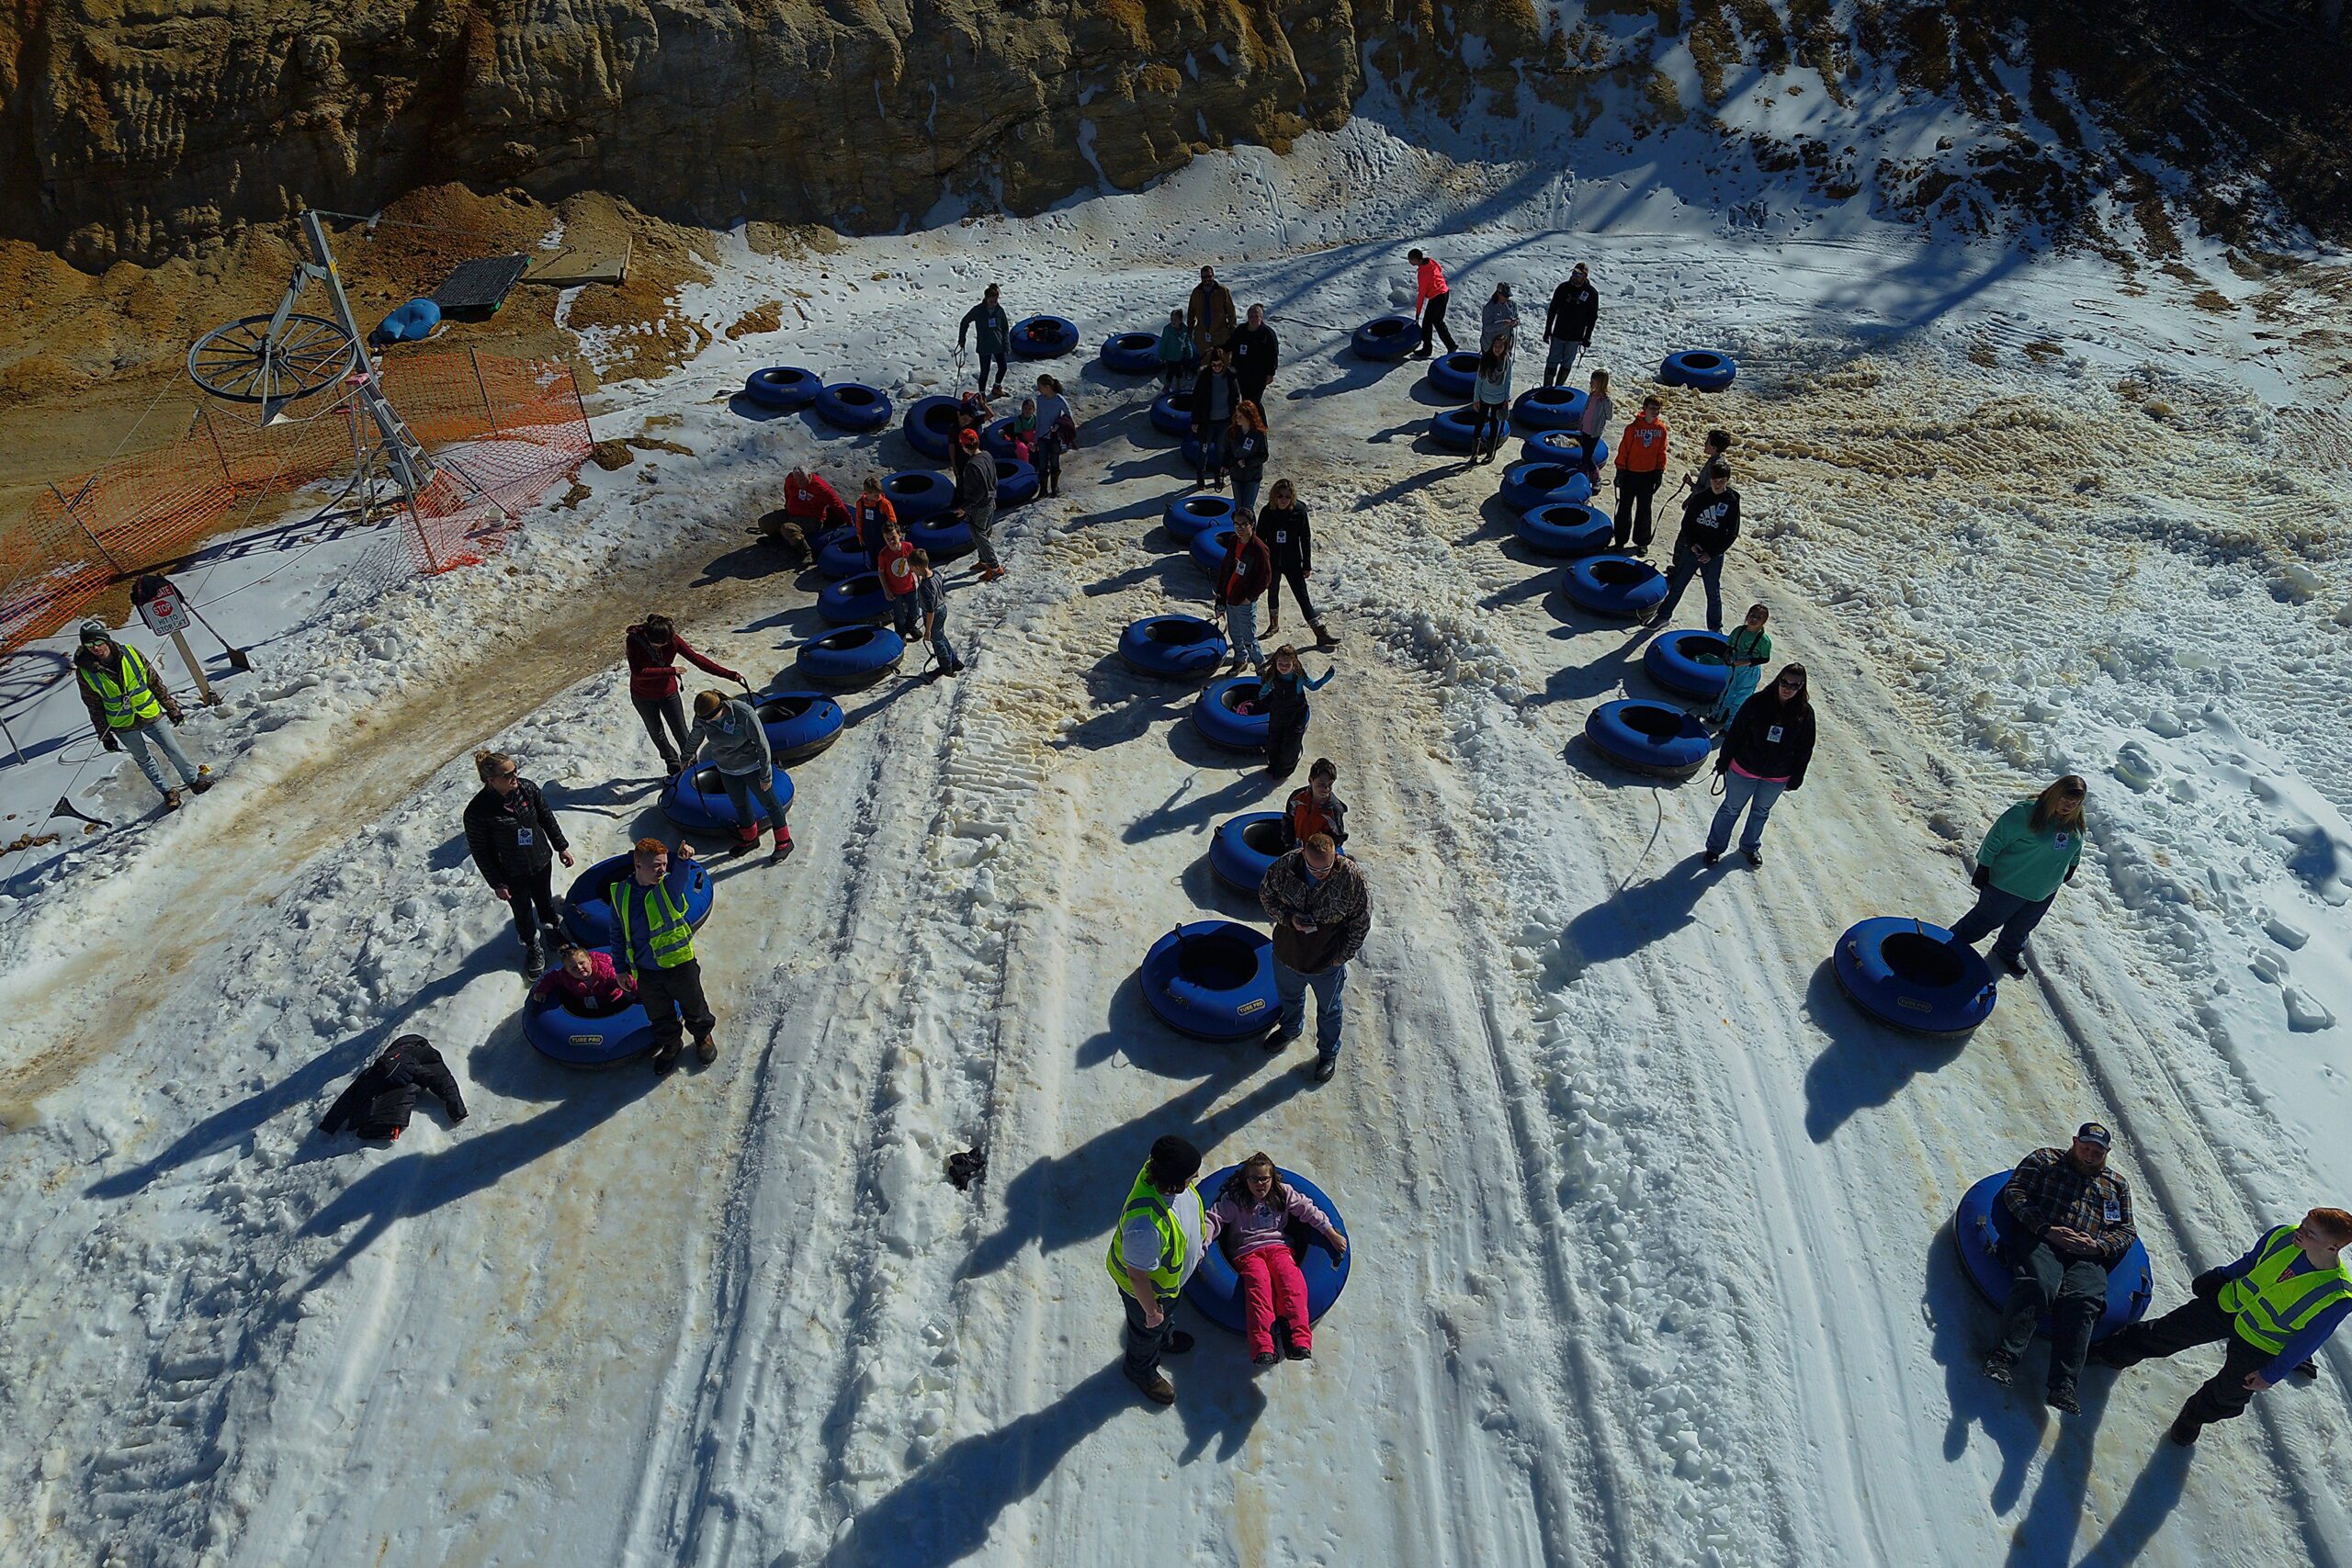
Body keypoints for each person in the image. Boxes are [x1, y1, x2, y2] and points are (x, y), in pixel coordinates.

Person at [2096, 1207, 2352, 1446]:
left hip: (2261, 1341)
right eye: (2303, 1223)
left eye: (2310, 1232)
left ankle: (2194, 1416)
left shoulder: (2337, 1295)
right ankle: (2111, 1352)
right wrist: (2220, 1275)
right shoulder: (2284, 1236)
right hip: (2229, 1304)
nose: (2300, 1231)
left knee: (2230, 1393)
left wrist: (2272, 1373)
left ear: (2332, 1247)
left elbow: (2308, 1341)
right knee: (2165, 1331)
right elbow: (2251, 1262)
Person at [1983, 1123, 2138, 1415]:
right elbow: (2015, 1193)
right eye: (2086, 1148)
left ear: (2107, 1152)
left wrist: (2098, 1247)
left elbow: (2126, 1231)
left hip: (2086, 1254)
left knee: (2086, 1300)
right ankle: (2003, 1356)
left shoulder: (2116, 1185)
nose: (2090, 1156)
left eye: (2097, 1152)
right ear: (2075, 1142)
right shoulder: (2046, 1161)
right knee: (2040, 1283)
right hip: (2044, 1238)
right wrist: (2046, 1229)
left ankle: (2063, 1385)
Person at [1106, 1133, 1218, 1405]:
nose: (1196, 1177)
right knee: (1146, 1332)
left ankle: (1164, 1337)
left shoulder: (1161, 1171)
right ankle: (1140, 1369)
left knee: (1163, 1320)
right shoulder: (1145, 1226)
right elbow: (1137, 1276)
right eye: (1191, 1176)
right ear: (1174, 1182)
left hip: (1168, 1289)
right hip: (1147, 1296)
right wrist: (1151, 1311)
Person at [1207, 1153, 1349, 1365]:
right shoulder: (1235, 1199)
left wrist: (1330, 1233)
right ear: (1246, 1180)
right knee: (1259, 1286)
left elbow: (1309, 1210)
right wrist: (1202, 1245)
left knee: (1291, 1281)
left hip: (1278, 1248)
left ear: (1272, 1178)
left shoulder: (1282, 1193)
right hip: (1247, 1252)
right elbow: (1213, 1218)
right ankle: (1263, 1346)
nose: (1260, 1184)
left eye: (1264, 1178)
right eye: (1254, 1179)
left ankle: (1298, 1340)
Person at [1258, 831, 1370, 1082]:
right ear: (1303, 854)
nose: (1320, 874)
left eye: (1325, 869)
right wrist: (1289, 917)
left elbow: (1361, 920)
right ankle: (1290, 1029)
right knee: (1289, 997)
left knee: (1329, 1009)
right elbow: (1266, 895)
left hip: (1326, 961)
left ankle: (1328, 1053)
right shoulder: (1286, 866)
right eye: (1313, 868)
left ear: (1335, 857)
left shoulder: (1350, 876)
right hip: (1288, 953)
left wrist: (1342, 956)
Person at [1950, 777, 2087, 976]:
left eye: (2075, 803)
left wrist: (2073, 865)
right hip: (2007, 885)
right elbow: (1995, 839)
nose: (2068, 806)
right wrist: (1984, 866)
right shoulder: (2024, 814)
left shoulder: (2074, 820)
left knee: (2021, 927)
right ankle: (1949, 945)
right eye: (2064, 799)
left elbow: (2076, 844)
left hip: (2043, 890)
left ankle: (2007, 951)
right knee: (1982, 921)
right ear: (2054, 794)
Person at [74, 620, 210, 809]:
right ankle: (168, 792)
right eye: (89, 644)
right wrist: (105, 735)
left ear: (107, 640)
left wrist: (172, 708)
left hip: (149, 713)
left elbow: (155, 682)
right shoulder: (85, 672)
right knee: (144, 759)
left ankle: (194, 781)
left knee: (173, 750)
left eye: (98, 642)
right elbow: (93, 705)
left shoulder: (131, 653)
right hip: (123, 723)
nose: (95, 648)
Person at [464, 749, 577, 976]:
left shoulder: (527, 789)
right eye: (507, 775)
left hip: (540, 859)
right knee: (522, 910)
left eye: (515, 770)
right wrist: (497, 882)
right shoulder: (477, 811)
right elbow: (481, 851)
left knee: (544, 899)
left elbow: (546, 818)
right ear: (491, 780)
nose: (514, 776)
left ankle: (551, 928)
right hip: (511, 872)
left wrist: (561, 847)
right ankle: (531, 944)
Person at [609, 836, 716, 1072]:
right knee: (659, 1014)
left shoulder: (668, 887)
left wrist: (683, 860)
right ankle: (671, 1044)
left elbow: (679, 876)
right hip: (646, 971)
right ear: (638, 864)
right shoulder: (621, 893)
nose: (662, 870)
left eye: (665, 864)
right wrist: (620, 969)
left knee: (694, 1006)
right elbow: (617, 933)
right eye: (656, 865)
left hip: (680, 965)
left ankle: (702, 1037)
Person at [1705, 664, 1813, 867]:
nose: (1788, 688)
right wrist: (1723, 761)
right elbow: (1736, 733)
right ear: (1778, 680)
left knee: (1761, 812)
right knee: (1730, 809)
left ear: (1801, 686)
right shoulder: (1757, 703)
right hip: (1745, 768)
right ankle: (1714, 848)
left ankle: (1749, 846)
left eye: (1794, 685)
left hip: (1777, 776)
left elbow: (1805, 749)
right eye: (1784, 682)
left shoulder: (1805, 713)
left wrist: (1796, 777)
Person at [686, 690, 794, 863]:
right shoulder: (703, 717)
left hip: (752, 767)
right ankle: (750, 838)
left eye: (710, 718)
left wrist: (765, 776)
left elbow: (762, 744)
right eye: (703, 719)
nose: (707, 722)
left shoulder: (743, 713)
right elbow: (695, 735)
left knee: (770, 803)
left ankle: (784, 841)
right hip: (726, 769)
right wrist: (686, 756)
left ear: (720, 707)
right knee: (740, 804)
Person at [320, 1033, 468, 1142]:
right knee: (406, 1084)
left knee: (404, 1085)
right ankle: (383, 1123)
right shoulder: (386, 1066)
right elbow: (443, 1080)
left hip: (379, 1123)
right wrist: (457, 1110)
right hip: (385, 1123)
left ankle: (382, 1123)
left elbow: (351, 1093)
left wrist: (330, 1124)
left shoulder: (383, 1067)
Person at [1648, 464, 1741, 633]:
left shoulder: (1732, 501)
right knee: (1678, 584)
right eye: (1715, 480)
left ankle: (1715, 627)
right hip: (1693, 550)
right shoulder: (1700, 498)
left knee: (1712, 592)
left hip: (1713, 554)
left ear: (1727, 480)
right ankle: (1663, 616)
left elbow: (1732, 533)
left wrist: (1712, 553)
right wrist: (1692, 544)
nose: (1717, 484)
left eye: (1721, 481)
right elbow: (1686, 524)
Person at [1257, 479, 1333, 649]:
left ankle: (1319, 632)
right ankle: (1273, 624)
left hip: (1292, 560)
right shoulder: (1267, 512)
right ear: (1274, 496)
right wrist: (1260, 562)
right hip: (1273, 560)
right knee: (1273, 592)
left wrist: (1307, 564)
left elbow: (1305, 538)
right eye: (1280, 496)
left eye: (1287, 497)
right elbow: (1260, 539)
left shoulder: (1299, 511)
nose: (1283, 500)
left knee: (1302, 596)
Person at [1256, 644, 1333, 781]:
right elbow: (1263, 692)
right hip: (1278, 713)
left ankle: (1284, 771)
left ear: (1294, 662)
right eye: (1280, 663)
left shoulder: (1299, 676)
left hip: (1296, 715)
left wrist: (1327, 677)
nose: (1283, 667)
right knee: (1274, 742)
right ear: (1276, 661)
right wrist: (1267, 701)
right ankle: (1273, 766)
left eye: (1287, 664)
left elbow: (1313, 686)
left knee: (1290, 747)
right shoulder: (1273, 675)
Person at [1213, 512, 1274, 673]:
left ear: (1251, 525)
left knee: (1249, 638)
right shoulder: (1234, 541)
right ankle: (1240, 659)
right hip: (1231, 596)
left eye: (1243, 524)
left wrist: (1250, 597)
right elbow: (1226, 567)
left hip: (1244, 600)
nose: (1239, 528)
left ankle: (1261, 665)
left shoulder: (1259, 549)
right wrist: (1220, 592)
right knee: (1234, 633)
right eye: (1236, 524)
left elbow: (1265, 578)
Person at [1611, 394, 1669, 552]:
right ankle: (1620, 540)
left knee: (1644, 510)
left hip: (1648, 475)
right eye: (1652, 408)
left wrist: (1659, 471)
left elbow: (1662, 451)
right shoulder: (1632, 429)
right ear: (1644, 408)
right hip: (1630, 474)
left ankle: (1642, 542)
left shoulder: (1661, 429)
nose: (1655, 412)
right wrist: (1620, 470)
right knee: (1624, 508)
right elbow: (1624, 450)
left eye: (1658, 409)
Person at [1704, 604, 1772, 728]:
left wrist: (1748, 662)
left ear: (1764, 622)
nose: (1754, 619)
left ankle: (1731, 725)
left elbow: (1765, 658)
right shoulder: (1739, 631)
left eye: (1759, 618)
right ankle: (1717, 715)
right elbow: (1729, 646)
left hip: (1749, 671)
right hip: (1734, 667)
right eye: (1752, 615)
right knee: (1727, 691)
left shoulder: (1763, 640)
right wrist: (1727, 655)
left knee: (1741, 697)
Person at [949, 430, 1003, 582]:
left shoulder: (971, 466)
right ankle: (984, 561)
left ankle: (994, 567)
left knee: (978, 533)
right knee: (984, 531)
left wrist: (964, 508)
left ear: (963, 446)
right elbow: (994, 478)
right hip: (990, 500)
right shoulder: (987, 455)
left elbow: (977, 493)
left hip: (980, 505)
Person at [1191, 347, 1241, 490]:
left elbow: (1236, 397)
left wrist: (1236, 417)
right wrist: (1195, 420)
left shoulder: (1230, 376)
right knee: (1204, 449)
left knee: (1220, 450)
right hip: (1207, 421)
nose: (1217, 368)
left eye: (1219, 365)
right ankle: (1200, 477)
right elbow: (1196, 399)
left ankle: (1218, 477)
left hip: (1224, 421)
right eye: (1214, 365)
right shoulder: (1204, 376)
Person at [533, 942, 636, 1010]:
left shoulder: (607, 972)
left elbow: (628, 982)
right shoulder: (565, 976)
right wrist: (541, 990)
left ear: (590, 960)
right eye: (573, 968)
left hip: (614, 1000)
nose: (579, 968)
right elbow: (550, 978)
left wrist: (640, 993)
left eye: (582, 963)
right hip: (588, 1004)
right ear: (567, 970)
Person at [910, 549, 964, 677]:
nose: (912, 571)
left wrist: (928, 631)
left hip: (934, 615)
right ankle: (955, 662)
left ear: (917, 567)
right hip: (942, 608)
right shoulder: (936, 573)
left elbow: (930, 611)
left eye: (912, 568)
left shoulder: (924, 587)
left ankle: (946, 667)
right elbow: (942, 591)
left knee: (937, 642)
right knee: (941, 636)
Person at [1544, 263, 1599, 389]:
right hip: (1559, 333)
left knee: (1567, 364)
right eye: (1574, 273)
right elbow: (1552, 310)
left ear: (1585, 276)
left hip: (1576, 336)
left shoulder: (1591, 293)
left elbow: (1592, 317)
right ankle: (1546, 388)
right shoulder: (1563, 288)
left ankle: (1559, 388)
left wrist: (1587, 336)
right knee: (1552, 361)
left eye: (1578, 275)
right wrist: (1548, 330)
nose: (1575, 276)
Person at [958, 283, 1011, 397]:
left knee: (1003, 367)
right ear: (986, 299)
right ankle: (982, 395)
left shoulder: (999, 310)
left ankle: (997, 387)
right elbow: (964, 322)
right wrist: (962, 339)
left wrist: (1006, 344)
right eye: (991, 301)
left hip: (998, 344)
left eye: (995, 301)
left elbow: (1005, 328)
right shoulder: (978, 310)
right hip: (984, 346)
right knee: (985, 372)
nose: (994, 304)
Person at [1469, 332, 1513, 465]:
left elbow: (1508, 380)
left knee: (1494, 425)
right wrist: (1476, 399)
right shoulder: (1486, 359)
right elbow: (1479, 380)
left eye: (1500, 346)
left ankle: (1490, 453)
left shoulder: (1507, 361)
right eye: (1495, 346)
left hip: (1498, 399)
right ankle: (1474, 454)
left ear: (1505, 348)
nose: (1497, 349)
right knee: (1479, 424)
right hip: (1484, 397)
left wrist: (1506, 399)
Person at [1283, 760, 1349, 849]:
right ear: (1311, 780)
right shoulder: (1297, 797)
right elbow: (1288, 819)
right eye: (1321, 784)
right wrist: (1289, 843)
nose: (1326, 788)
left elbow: (1338, 837)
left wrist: (1319, 851)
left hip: (1316, 852)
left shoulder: (1334, 810)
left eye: (1330, 784)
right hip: (1296, 845)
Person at [876, 520, 922, 646]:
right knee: (899, 616)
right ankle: (901, 634)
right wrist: (886, 590)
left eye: (893, 538)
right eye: (887, 539)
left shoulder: (908, 547)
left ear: (899, 535)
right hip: (895, 591)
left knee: (914, 612)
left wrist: (919, 576)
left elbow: (914, 562)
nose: (891, 541)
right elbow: (881, 572)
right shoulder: (883, 555)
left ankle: (910, 627)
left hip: (910, 587)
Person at [1408, 248, 1457, 357]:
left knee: (1427, 323)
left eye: (1410, 259)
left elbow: (1421, 294)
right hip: (1444, 292)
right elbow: (1439, 268)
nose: (1409, 261)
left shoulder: (1423, 274)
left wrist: (1418, 313)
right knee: (1437, 321)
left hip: (1437, 297)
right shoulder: (1430, 261)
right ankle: (1451, 345)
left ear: (1416, 259)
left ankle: (1427, 349)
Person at [1229, 303, 1280, 410]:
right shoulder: (1241, 330)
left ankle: (1260, 420)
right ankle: (1249, 419)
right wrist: (1217, 349)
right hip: (1241, 373)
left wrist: (1271, 373)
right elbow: (1230, 344)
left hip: (1259, 376)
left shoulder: (1268, 333)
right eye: (1251, 316)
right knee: (1246, 400)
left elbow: (1273, 355)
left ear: (1261, 317)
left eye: (1256, 316)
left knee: (1254, 402)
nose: (1253, 319)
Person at [1224, 400, 1270, 517]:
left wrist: (1248, 462)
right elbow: (1227, 450)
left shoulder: (1259, 434)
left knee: (1247, 508)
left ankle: (1250, 528)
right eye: (1237, 415)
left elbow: (1264, 455)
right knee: (1239, 507)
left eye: (1241, 416)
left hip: (1252, 476)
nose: (1237, 418)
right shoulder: (1232, 432)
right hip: (1236, 475)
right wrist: (1225, 464)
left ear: (1249, 417)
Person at [1033, 374, 1075, 499]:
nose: (1038, 389)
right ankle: (1043, 490)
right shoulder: (1040, 399)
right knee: (1042, 464)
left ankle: (1054, 488)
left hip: (1054, 437)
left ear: (1047, 387)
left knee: (1054, 462)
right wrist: (1036, 437)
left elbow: (1069, 416)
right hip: (1042, 437)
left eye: (1040, 386)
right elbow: (1039, 418)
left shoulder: (1059, 399)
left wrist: (1058, 425)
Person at [782, 466, 852, 536]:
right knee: (774, 521)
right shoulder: (790, 479)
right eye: (797, 480)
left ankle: (802, 543)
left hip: (811, 520)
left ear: (809, 476)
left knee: (787, 529)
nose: (800, 483)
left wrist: (849, 521)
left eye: (803, 480)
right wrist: (787, 505)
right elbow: (787, 491)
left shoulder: (821, 488)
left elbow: (836, 504)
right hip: (791, 514)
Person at [1187, 265, 1238, 360]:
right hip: (1203, 335)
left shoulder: (1222, 291)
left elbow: (1231, 312)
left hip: (1220, 334)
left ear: (1213, 276)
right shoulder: (1196, 292)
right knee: (1205, 362)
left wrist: (1233, 330)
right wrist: (1190, 330)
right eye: (1204, 277)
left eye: (1209, 276)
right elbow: (1191, 313)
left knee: (1222, 361)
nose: (1207, 279)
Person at [1574, 367, 1614, 480]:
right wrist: (1581, 422)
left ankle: (1595, 474)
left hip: (1594, 431)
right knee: (1585, 451)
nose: (1590, 383)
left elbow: (1609, 416)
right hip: (1585, 428)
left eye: (1593, 381)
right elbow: (1586, 409)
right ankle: (1584, 470)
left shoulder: (1605, 400)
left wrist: (1605, 403)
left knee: (1588, 454)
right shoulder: (1592, 394)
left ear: (1600, 383)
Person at [853, 476, 898, 572]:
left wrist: (892, 536)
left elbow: (892, 520)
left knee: (885, 558)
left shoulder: (884, 503)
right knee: (873, 558)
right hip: (868, 536)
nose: (878, 497)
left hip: (883, 537)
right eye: (876, 495)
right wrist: (860, 535)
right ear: (867, 493)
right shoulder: (860, 503)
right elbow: (859, 520)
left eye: (879, 494)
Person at [1677, 428, 1732, 496]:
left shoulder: (1715, 466)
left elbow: (1707, 493)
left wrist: (1691, 484)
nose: (1705, 443)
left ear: (1714, 448)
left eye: (1707, 442)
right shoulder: (1715, 460)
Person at [1156, 308, 1195, 394]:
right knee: (1171, 372)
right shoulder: (1167, 329)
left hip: (1179, 356)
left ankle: (1179, 386)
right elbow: (1163, 343)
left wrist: (1189, 353)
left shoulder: (1184, 329)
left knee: (1179, 372)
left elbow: (1187, 342)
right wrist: (1161, 355)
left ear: (1180, 320)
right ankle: (1166, 387)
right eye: (1172, 319)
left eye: (1175, 320)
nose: (1173, 322)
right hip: (1170, 356)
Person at [1480, 281, 1520, 349]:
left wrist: (1515, 322)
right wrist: (1503, 324)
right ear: (1498, 293)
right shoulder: (1489, 308)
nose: (1506, 298)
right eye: (1504, 296)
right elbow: (1487, 327)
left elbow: (1517, 318)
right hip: (1490, 346)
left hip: (1506, 345)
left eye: (1508, 296)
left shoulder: (1513, 305)